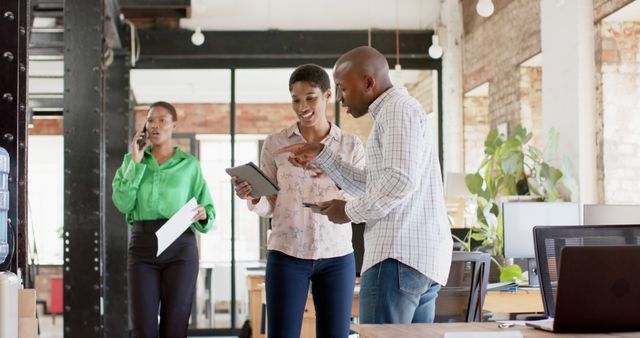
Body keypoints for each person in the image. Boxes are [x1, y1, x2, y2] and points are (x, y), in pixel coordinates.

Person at [274, 46, 453, 324]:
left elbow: (399, 181)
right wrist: (323, 155)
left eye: (343, 89)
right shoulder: (399, 111)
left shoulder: (396, 111)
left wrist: (348, 212)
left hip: (396, 257)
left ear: (369, 82)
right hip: (417, 262)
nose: (342, 99)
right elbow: (376, 184)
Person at [231, 64, 365, 338]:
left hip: (337, 255)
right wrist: (254, 195)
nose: (302, 106)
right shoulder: (275, 144)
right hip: (286, 254)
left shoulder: (351, 146)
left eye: (310, 98)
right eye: (295, 99)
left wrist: (331, 170)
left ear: (328, 95)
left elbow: (361, 200)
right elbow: (271, 202)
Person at [112, 101, 216, 338]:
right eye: (150, 120)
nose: (155, 126)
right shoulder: (132, 160)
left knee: (175, 328)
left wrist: (203, 214)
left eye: (162, 120)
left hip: (180, 249)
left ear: (174, 125)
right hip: (142, 248)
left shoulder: (190, 166)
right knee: (143, 329)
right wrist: (136, 163)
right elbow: (122, 203)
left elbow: (208, 208)